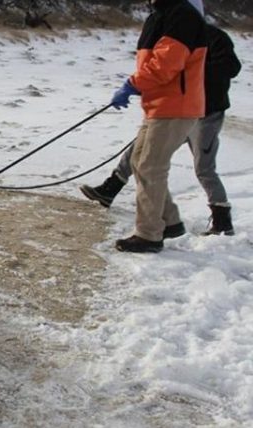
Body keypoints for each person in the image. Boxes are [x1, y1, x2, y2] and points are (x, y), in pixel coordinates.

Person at [81, 21, 241, 238]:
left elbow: (231, 67)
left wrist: (190, 75)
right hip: (175, 109)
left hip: (206, 113)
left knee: (204, 168)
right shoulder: (171, 34)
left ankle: (222, 220)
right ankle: (110, 189)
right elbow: (160, 68)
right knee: (141, 149)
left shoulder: (214, 37)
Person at [97, 0, 207, 253]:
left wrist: (133, 84)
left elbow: (166, 64)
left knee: (151, 166)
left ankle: (149, 234)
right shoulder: (161, 14)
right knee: (139, 161)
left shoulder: (182, 15)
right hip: (160, 104)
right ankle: (169, 221)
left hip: (176, 106)